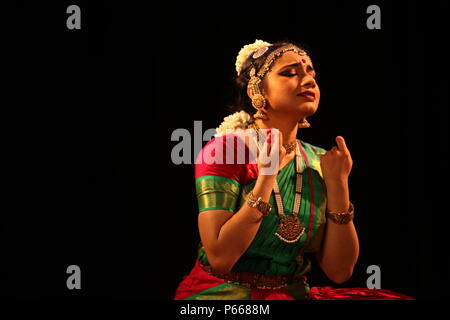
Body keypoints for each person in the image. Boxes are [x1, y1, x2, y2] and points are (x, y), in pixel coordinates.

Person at [173, 39, 414, 300]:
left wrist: (339, 185)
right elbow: (221, 258)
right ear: (257, 90)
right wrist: (266, 178)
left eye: (312, 74)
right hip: (222, 293)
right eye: (289, 73)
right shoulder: (225, 151)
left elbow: (340, 270)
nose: (309, 80)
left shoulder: (318, 160)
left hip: (292, 293)